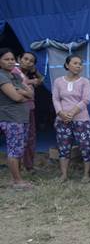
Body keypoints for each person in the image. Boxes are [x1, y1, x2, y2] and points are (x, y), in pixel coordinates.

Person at [52, 55, 90, 182]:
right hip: (62, 120)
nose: (78, 66)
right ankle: (64, 175)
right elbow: (56, 98)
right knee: (63, 147)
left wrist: (71, 113)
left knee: (85, 146)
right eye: (75, 63)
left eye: (80, 64)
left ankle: (86, 174)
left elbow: (86, 100)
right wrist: (60, 113)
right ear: (67, 65)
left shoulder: (85, 81)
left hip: (81, 120)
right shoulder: (58, 81)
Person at [0, 48, 34, 189]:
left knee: (19, 148)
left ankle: (16, 178)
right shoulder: (1, 76)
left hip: (21, 117)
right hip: (11, 118)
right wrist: (21, 94)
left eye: (12, 59)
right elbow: (15, 97)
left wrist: (23, 93)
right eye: (6, 59)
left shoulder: (15, 76)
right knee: (14, 149)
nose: (10, 62)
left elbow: (31, 94)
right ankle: (17, 181)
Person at [13, 52, 45, 171]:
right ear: (19, 59)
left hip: (30, 109)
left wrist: (35, 70)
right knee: (18, 137)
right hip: (17, 109)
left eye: (31, 61)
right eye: (25, 59)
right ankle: (17, 166)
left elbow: (41, 80)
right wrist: (31, 82)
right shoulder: (13, 71)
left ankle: (29, 165)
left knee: (30, 137)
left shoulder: (29, 74)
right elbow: (15, 85)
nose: (28, 62)